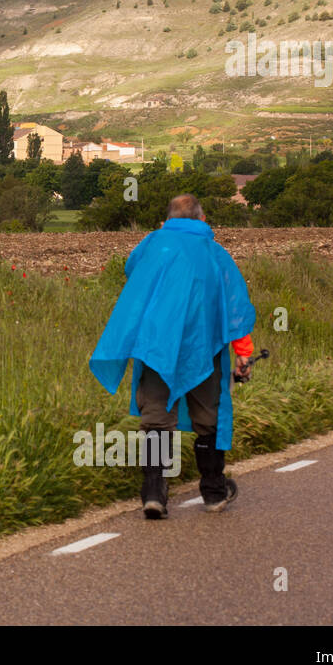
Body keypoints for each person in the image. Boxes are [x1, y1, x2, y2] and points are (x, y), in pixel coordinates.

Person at [88, 194, 256, 518]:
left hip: (156, 346)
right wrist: (244, 354)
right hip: (205, 349)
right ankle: (213, 493)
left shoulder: (154, 244)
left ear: (167, 220)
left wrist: (159, 235)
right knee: (209, 420)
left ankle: (153, 493)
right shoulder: (216, 253)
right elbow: (234, 308)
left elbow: (131, 269)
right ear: (202, 219)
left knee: (156, 418)